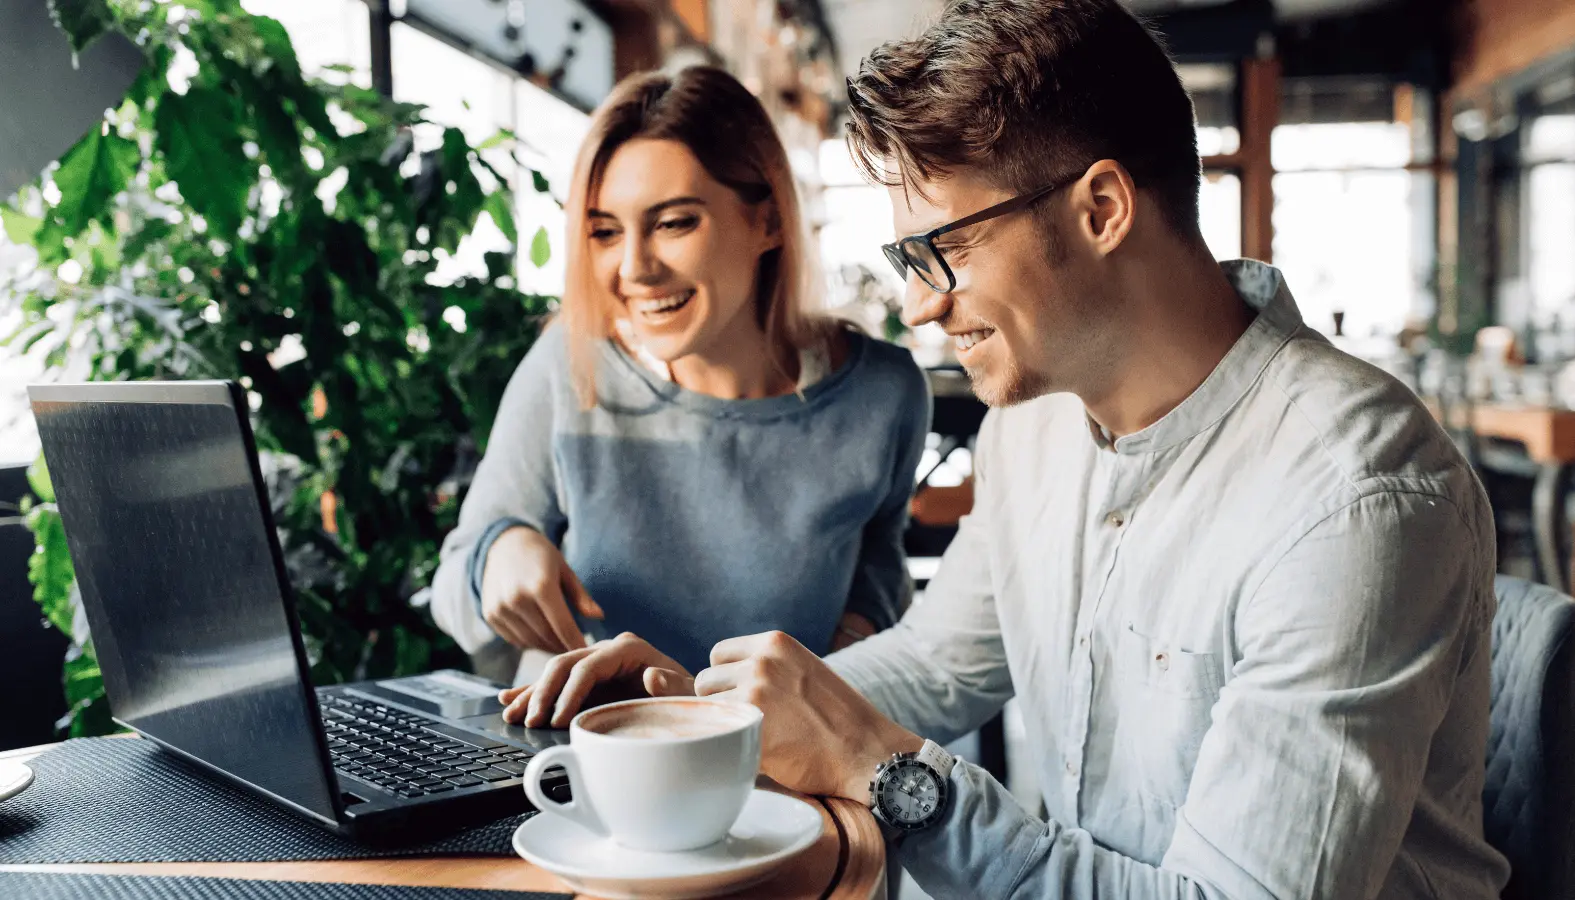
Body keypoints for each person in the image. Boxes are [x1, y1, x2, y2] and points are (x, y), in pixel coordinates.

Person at [506, 1, 1512, 897]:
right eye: (908, 260)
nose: (918, 303)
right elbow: (945, 663)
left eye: (944, 249)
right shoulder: (1031, 427)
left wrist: (886, 774)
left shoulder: (1353, 500)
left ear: (1103, 209)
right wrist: (701, 713)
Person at [430, 66, 930, 687]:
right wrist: (496, 555)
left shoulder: (883, 394)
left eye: (673, 223)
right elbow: (453, 583)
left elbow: (880, 562)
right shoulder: (570, 363)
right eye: (605, 233)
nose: (634, 268)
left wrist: (840, 661)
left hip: (776, 763)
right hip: (592, 757)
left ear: (768, 221)